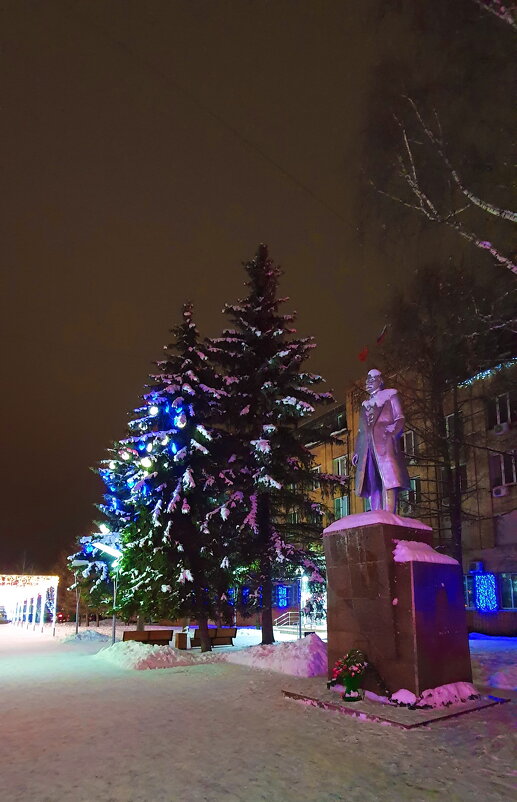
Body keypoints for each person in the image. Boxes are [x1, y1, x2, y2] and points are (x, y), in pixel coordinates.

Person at [352, 369, 410, 513]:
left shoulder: (390, 395)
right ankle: (376, 514)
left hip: (385, 443)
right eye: (367, 380)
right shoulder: (365, 405)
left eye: (372, 379)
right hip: (367, 447)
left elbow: (400, 417)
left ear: (380, 380)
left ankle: (389, 514)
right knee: (372, 481)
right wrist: (357, 451)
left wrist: (392, 432)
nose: (368, 383)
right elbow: (361, 431)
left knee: (389, 478)